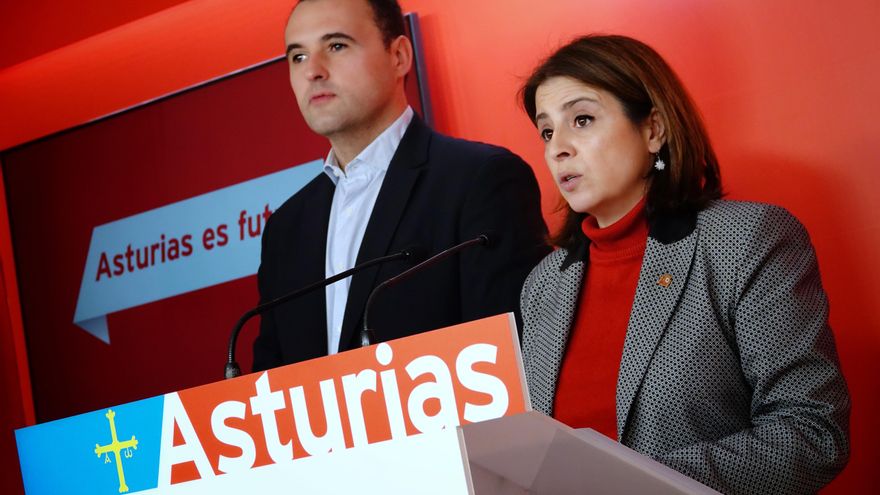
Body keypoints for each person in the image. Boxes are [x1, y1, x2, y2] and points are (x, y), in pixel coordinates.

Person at [518, 34, 849, 494]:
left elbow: (812, 432)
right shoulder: (544, 285)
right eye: (547, 131)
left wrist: (633, 484)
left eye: (582, 119)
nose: (558, 149)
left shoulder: (745, 240)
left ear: (654, 129)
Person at [252, 0, 549, 369]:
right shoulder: (285, 229)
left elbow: (510, 364)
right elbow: (270, 386)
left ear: (398, 56)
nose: (312, 71)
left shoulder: (481, 180)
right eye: (297, 57)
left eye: (336, 46)